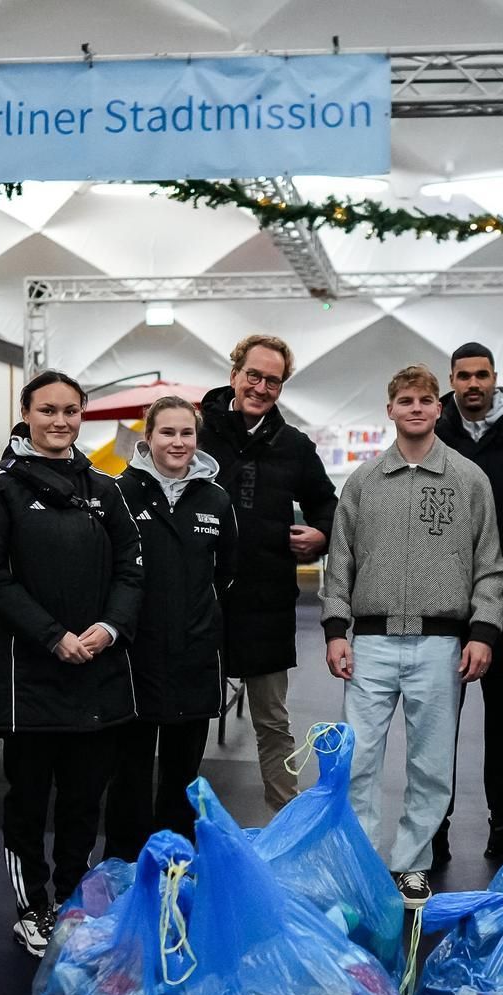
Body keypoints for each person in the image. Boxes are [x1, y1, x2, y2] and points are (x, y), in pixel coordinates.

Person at [0, 370, 144, 958]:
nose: (60, 421)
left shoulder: (104, 486)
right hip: (30, 676)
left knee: (83, 799)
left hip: (97, 672)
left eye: (70, 411)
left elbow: (131, 569)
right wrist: (52, 635)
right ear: (26, 412)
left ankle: (74, 898)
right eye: (48, 410)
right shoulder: (0, 485)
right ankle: (32, 908)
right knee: (27, 799)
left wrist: (108, 628)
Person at [322, 364, 503, 907]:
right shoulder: (363, 482)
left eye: (427, 400)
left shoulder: (469, 480)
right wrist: (336, 630)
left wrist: (482, 632)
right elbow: (341, 561)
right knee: (358, 759)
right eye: (406, 400)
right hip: (372, 644)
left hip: (440, 645)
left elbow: (489, 565)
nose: (417, 408)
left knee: (430, 764)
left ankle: (412, 865)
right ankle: (360, 864)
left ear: (439, 407)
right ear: (391, 409)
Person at [201, 334, 339, 812]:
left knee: (273, 722)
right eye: (253, 376)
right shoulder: (195, 431)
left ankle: (287, 827)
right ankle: (174, 831)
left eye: (273, 381)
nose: (261, 387)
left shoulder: (293, 445)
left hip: (266, 601)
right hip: (198, 600)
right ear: (234, 373)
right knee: (183, 719)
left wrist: (321, 533)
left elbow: (327, 501)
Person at [102, 396, 237, 861]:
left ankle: (175, 860)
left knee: (183, 771)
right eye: (167, 432)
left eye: (186, 433)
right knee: (130, 770)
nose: (177, 442)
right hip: (134, 656)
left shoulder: (217, 500)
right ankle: (123, 862)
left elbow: (225, 573)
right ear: (148, 438)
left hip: (194, 655)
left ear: (197, 439)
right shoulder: (119, 492)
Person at [432, 340, 503, 863]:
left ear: (495, 377)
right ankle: (435, 826)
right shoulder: (429, 437)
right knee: (436, 727)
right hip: (441, 614)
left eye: (481, 375)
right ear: (450, 380)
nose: (473, 384)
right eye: (463, 375)